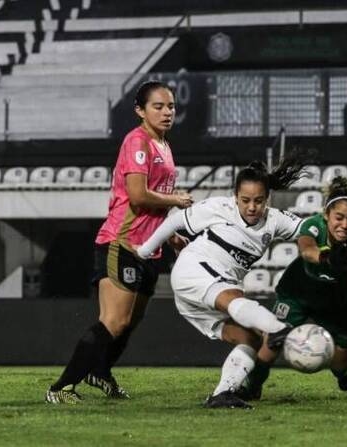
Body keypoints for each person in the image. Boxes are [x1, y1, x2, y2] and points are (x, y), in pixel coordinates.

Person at [46, 81, 193, 404]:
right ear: (140, 110)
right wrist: (176, 201)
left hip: (149, 248)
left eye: (170, 106)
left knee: (129, 321)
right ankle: (61, 387)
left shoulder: (164, 146)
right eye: (158, 106)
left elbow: (153, 208)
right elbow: (139, 196)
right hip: (121, 242)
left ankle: (100, 371)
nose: (167, 112)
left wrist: (171, 236)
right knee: (114, 320)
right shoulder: (137, 141)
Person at [137, 158, 321, 409]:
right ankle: (277, 327)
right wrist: (146, 250)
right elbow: (174, 221)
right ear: (235, 196)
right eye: (245, 200)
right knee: (236, 299)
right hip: (195, 270)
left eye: (258, 200)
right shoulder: (219, 207)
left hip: (203, 296)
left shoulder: (276, 219)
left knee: (251, 340)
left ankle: (222, 394)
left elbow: (312, 229)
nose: (252, 207)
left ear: (267, 198)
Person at [237, 176, 347, 401]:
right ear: (326, 215)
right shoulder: (313, 225)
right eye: (338, 218)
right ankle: (252, 386)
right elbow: (307, 250)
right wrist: (328, 258)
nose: (344, 225)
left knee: (340, 370)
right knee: (274, 340)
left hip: (339, 302)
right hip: (299, 291)